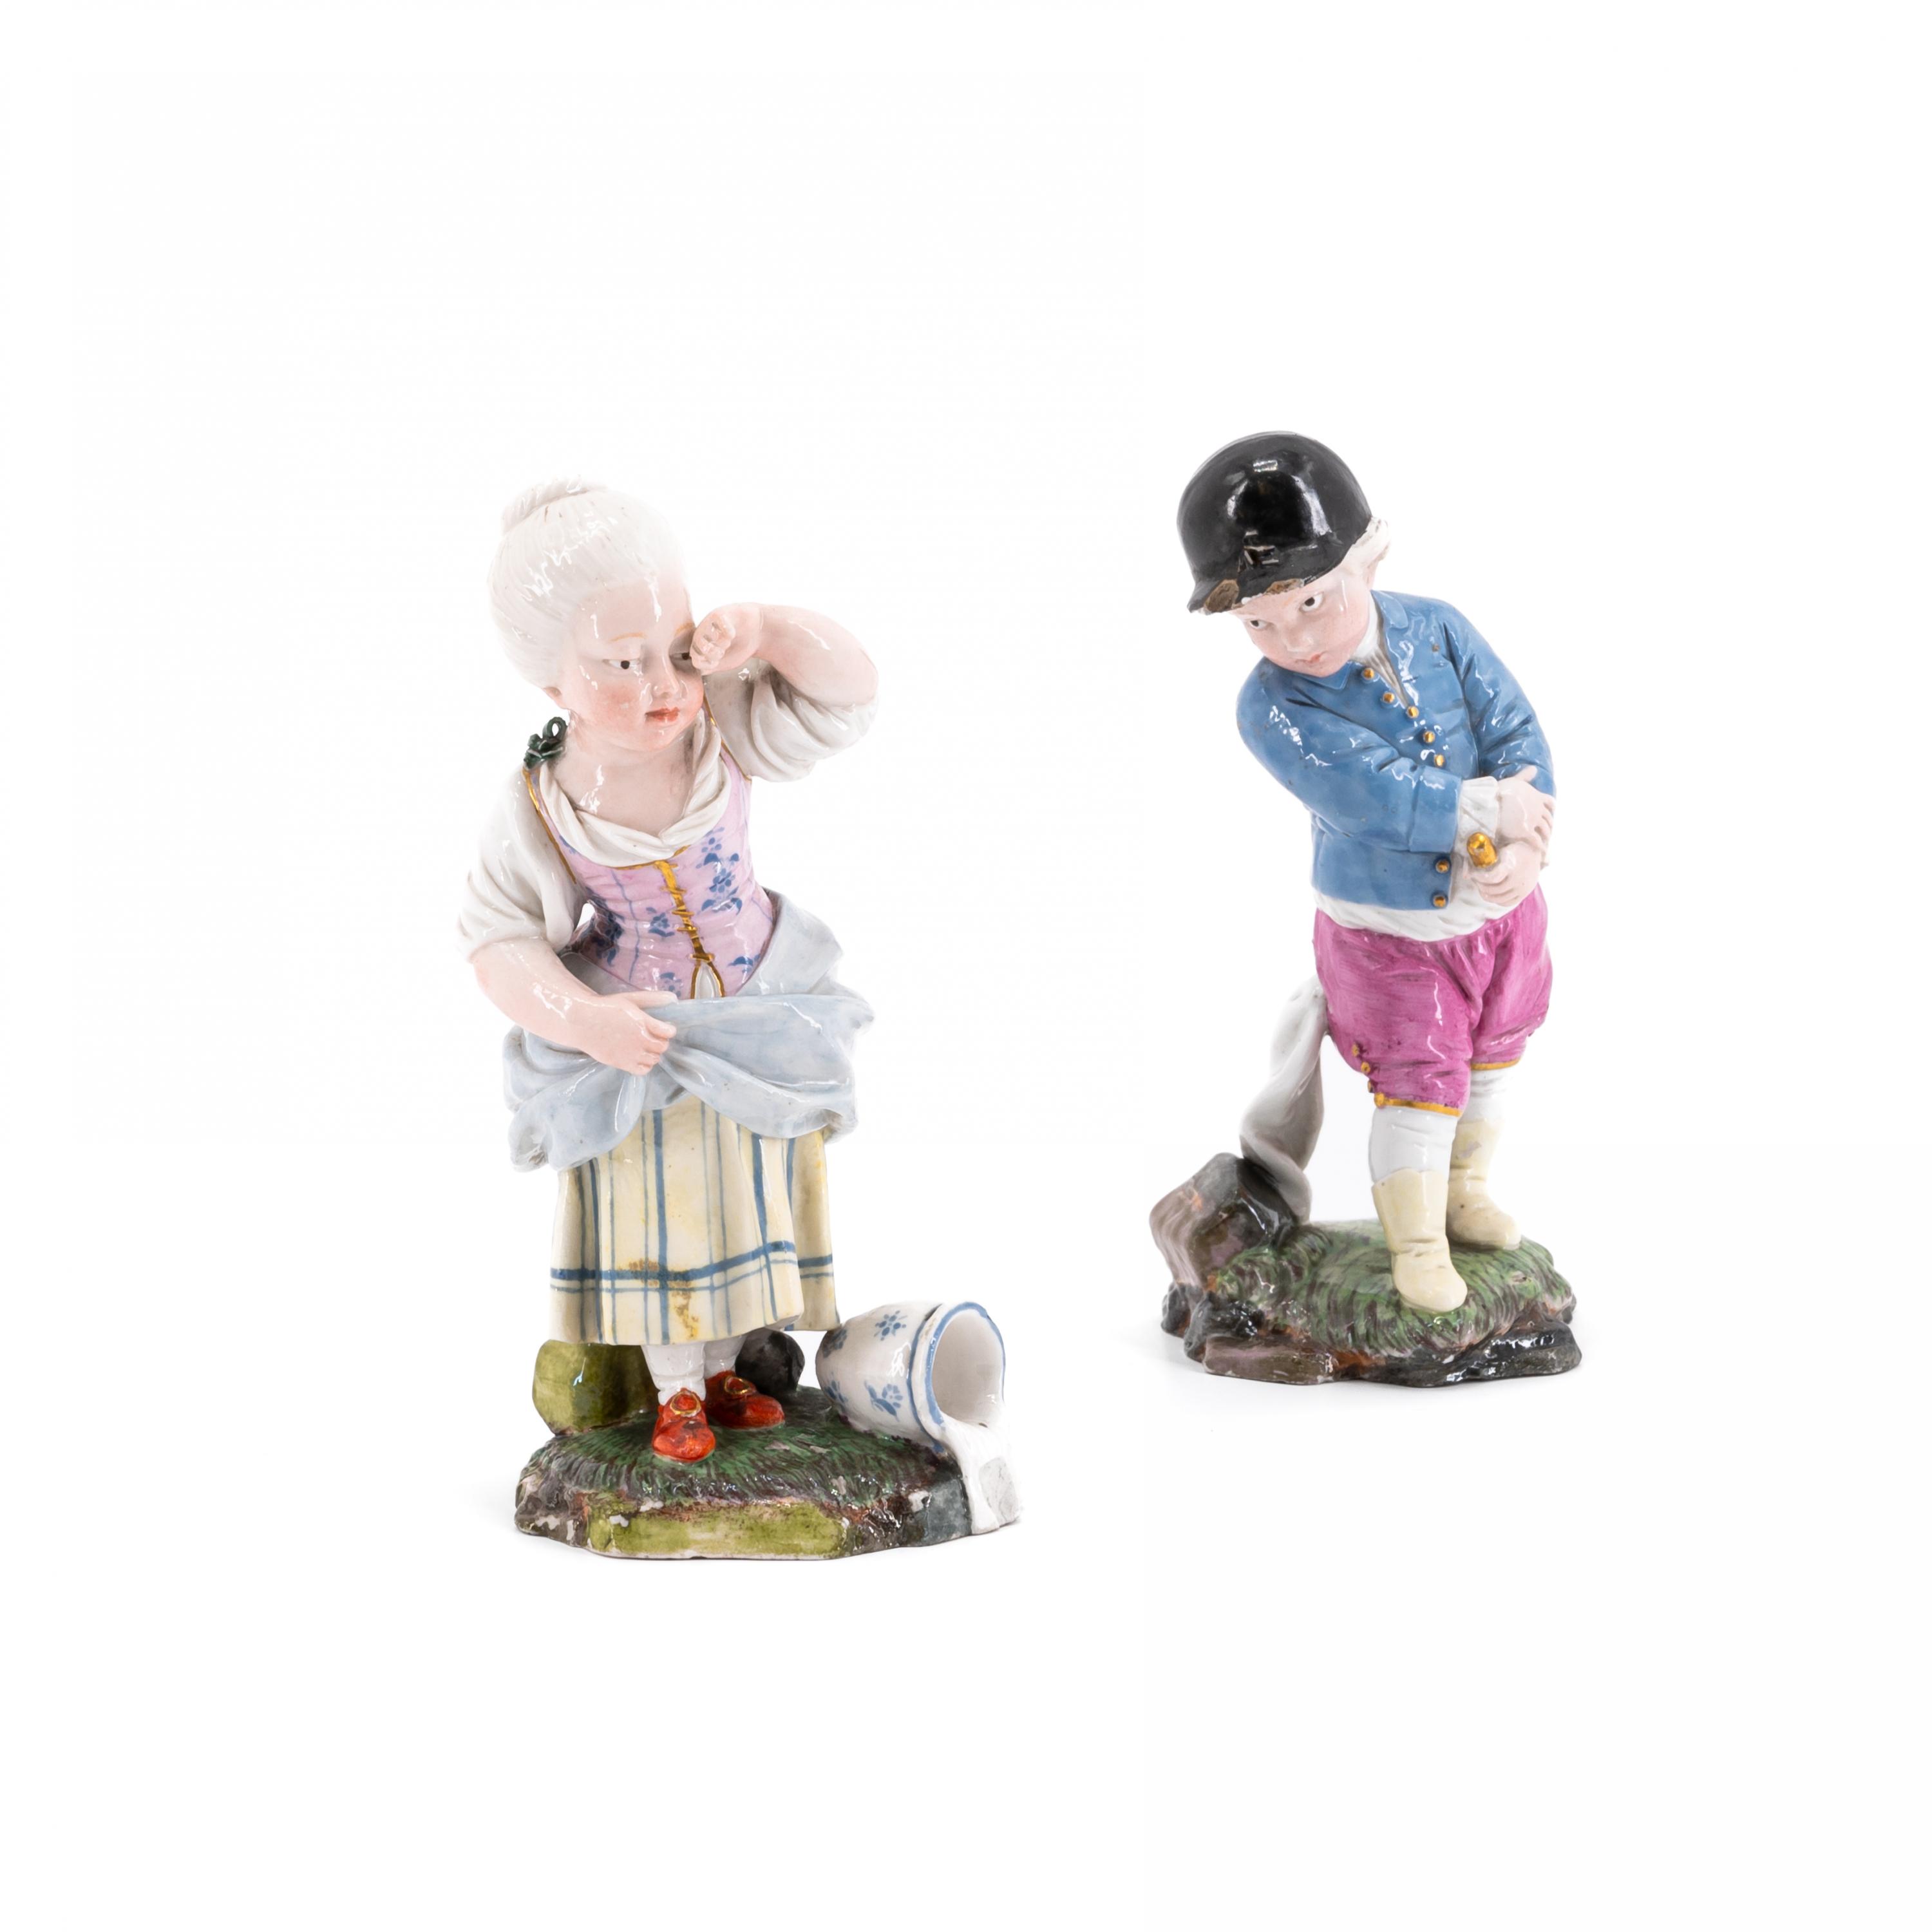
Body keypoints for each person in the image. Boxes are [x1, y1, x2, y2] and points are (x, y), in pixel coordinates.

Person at [460, 480, 876, 1458]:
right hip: (643, 1039)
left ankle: (731, 1368)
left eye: (677, 647)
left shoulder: (720, 719)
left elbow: (850, 692)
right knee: (663, 1215)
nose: (663, 682)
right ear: (553, 683)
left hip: (760, 1012)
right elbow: (497, 939)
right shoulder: (540, 802)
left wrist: (765, 630)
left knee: (746, 1197)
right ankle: (676, 1390)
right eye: (622, 662)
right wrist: (585, 1020)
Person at [1179, 433, 1555, 1312]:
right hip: (1388, 935)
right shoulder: (1270, 705)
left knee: (1494, 1056)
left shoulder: (1439, 628)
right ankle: (1416, 1242)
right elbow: (1367, 794)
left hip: (1501, 916)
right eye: (1260, 622)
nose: (1295, 636)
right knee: (1420, 1081)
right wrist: (1486, 810)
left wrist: (1529, 838)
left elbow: (1514, 728)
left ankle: (1465, 1191)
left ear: (1368, 559)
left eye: (1313, 600)